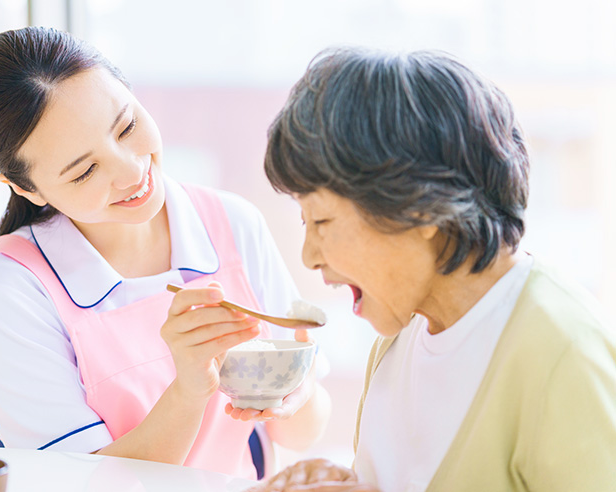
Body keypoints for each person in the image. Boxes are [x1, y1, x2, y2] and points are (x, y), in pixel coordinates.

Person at [0, 26, 330, 480]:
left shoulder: (232, 222)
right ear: (25, 187)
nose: (131, 171)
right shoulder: (8, 291)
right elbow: (77, 482)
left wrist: (295, 388)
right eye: (85, 171)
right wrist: (189, 390)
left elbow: (302, 433)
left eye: (127, 126)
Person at [248, 47, 616, 492]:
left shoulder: (565, 354)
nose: (309, 256)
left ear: (419, 207)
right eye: (305, 223)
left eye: (323, 221)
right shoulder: (400, 334)